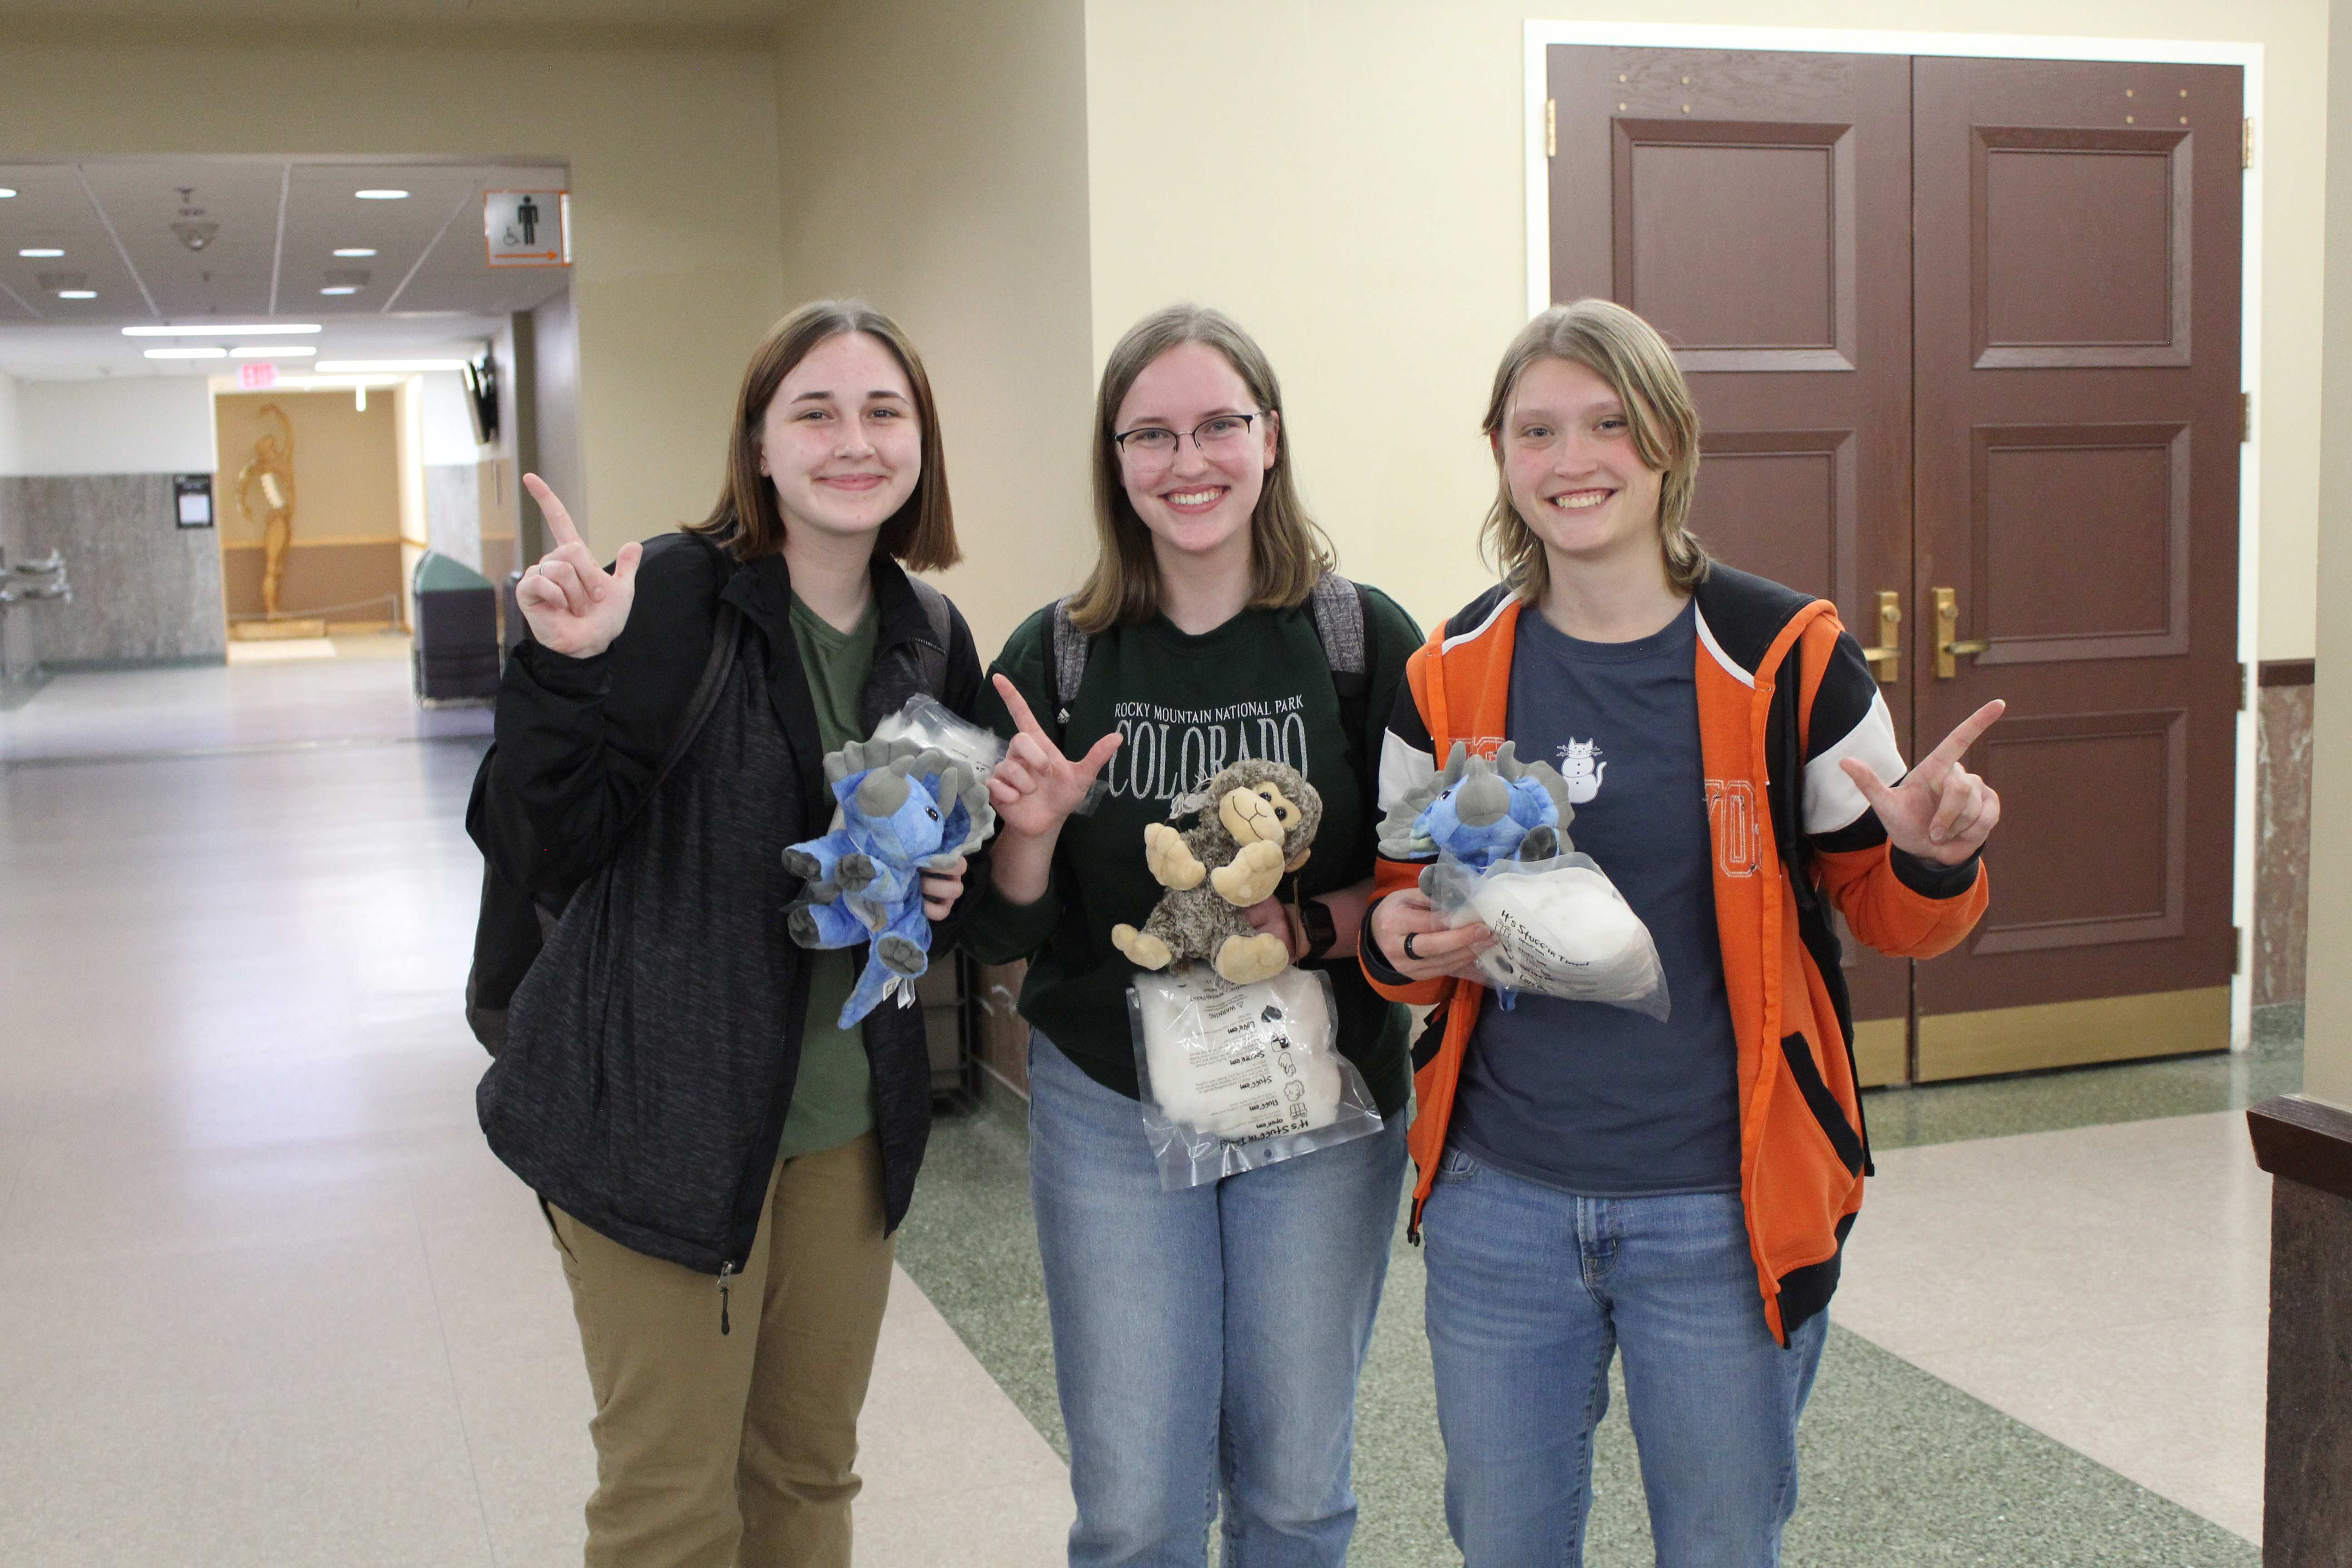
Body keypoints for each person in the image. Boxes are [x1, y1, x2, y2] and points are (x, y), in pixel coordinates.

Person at [1362, 298, 2003, 1566]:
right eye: (1536, 430)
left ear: (1667, 443)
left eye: (1608, 424)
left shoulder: (1788, 658)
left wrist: (1933, 856)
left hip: (1723, 1210)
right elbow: (1401, 919)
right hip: (1501, 1205)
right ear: (1500, 452)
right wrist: (1399, 943)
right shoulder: (1448, 672)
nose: (1572, 460)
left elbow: (1893, 917)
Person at [471, 300, 986, 1568]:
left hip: (845, 1131)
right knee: (670, 1511)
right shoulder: (668, 597)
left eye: (884, 411)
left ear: (921, 443)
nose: (852, 440)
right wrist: (567, 670)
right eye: (814, 410)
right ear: (757, 445)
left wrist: (949, 881)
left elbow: (933, 854)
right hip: (657, 1121)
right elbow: (535, 840)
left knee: (808, 1480)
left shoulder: (931, 635)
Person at [964, 304, 1422, 1567]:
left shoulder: (1359, 640)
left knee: (1293, 1496)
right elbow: (1001, 929)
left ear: (1270, 439)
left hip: (1315, 1100)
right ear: (1116, 463)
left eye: (1220, 424)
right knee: (1137, 1512)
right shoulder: (1057, 657)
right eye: (1151, 434)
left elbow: (1422, 889)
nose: (1190, 461)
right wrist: (1033, 832)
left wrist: (1314, 928)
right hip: (1113, 1102)